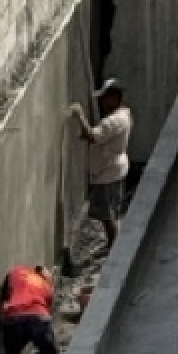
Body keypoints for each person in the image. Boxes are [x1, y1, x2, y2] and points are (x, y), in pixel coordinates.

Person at [70, 79, 131, 248]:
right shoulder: (124, 115)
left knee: (107, 215)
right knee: (110, 212)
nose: (102, 102)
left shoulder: (114, 121)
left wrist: (79, 115)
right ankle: (113, 244)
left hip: (108, 172)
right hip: (114, 169)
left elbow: (93, 136)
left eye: (105, 98)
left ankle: (113, 246)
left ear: (115, 98)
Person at [0, 263, 62, 354]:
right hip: (38, 318)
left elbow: (6, 292)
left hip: (13, 318)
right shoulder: (46, 287)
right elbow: (48, 310)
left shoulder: (17, 272)